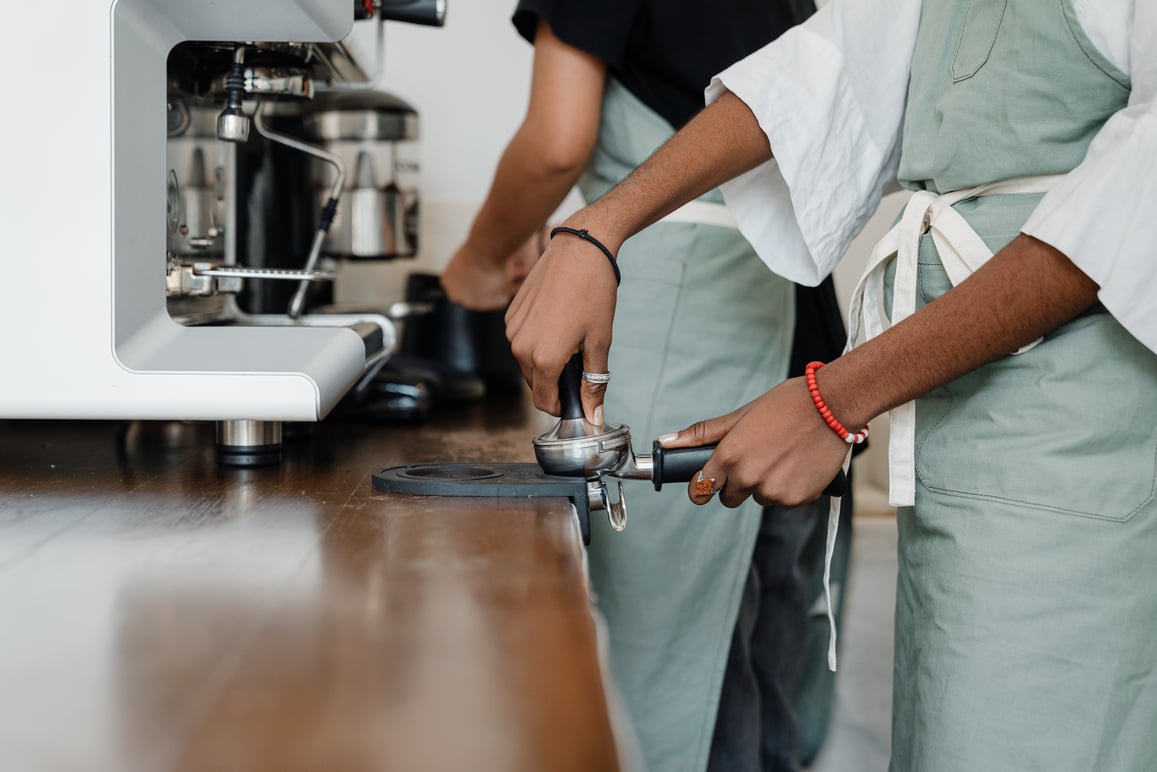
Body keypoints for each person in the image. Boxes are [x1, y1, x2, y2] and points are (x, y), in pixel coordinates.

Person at [504, 0, 1157, 769]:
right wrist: (597, 229)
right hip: (957, 413)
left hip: (1077, 424)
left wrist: (834, 398)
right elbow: (825, 70)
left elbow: (1130, 208)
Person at [440, 2, 856, 770]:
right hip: (802, 344)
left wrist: (474, 262)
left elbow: (554, 145)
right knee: (767, 672)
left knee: (682, 677)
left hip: (684, 324)